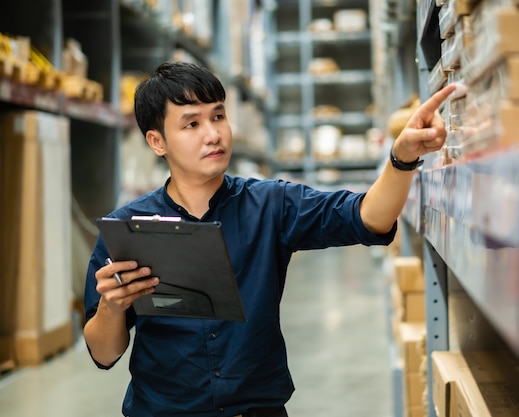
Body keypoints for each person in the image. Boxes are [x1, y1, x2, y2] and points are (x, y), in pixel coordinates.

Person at [83, 61, 456, 417]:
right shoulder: (129, 228)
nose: (213, 134)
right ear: (157, 141)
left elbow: (367, 216)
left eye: (218, 116)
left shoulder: (269, 205)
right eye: (191, 124)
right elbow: (103, 354)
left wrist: (403, 157)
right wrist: (111, 308)